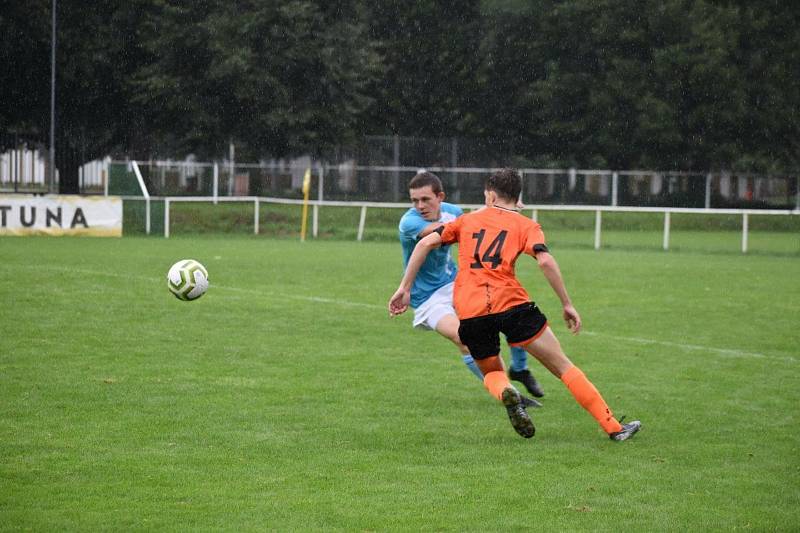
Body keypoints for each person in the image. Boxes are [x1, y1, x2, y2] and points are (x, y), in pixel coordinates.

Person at [389, 168, 641, 441]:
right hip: (512, 304)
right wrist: (566, 303)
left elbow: (426, 242)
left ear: (490, 195)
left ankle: (506, 391)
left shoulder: (467, 220)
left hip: (471, 312)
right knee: (563, 366)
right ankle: (613, 427)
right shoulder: (526, 225)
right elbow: (544, 260)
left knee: (492, 372)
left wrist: (404, 288)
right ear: (517, 197)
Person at [398, 171, 544, 402]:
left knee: (509, 313)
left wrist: (505, 210)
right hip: (427, 298)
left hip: (457, 284)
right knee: (464, 339)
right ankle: (510, 395)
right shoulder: (409, 222)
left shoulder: (453, 211)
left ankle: (519, 369)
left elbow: (476, 223)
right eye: (414, 200)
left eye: (425, 199)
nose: (419, 205)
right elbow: (434, 234)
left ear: (440, 197)